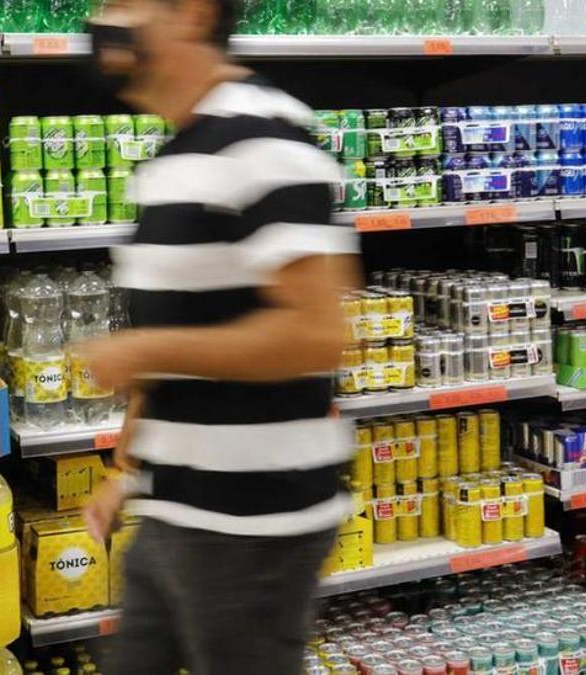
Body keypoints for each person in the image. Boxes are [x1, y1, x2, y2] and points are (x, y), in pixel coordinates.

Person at [77, 0, 361, 672]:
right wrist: (130, 468)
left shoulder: (264, 139)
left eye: (124, 3)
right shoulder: (176, 153)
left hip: (254, 522)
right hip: (178, 503)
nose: (102, 20)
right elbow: (192, 319)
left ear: (192, 14)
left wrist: (143, 352)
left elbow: (317, 333)